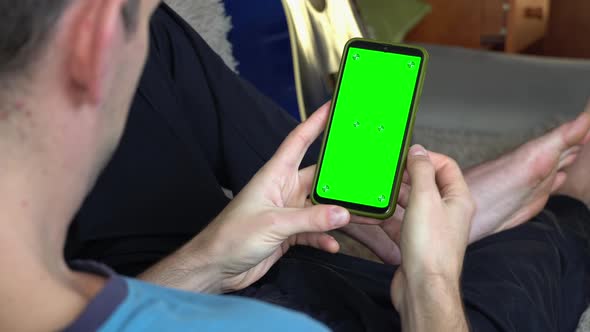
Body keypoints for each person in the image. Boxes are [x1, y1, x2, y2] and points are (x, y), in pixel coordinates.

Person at [1, 1, 587, 332]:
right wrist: (431, 286)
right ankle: (572, 208)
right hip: (281, 292)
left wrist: (204, 261)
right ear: (92, 38)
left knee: (157, 38)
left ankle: (369, 209)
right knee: (517, 268)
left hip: (194, 260)